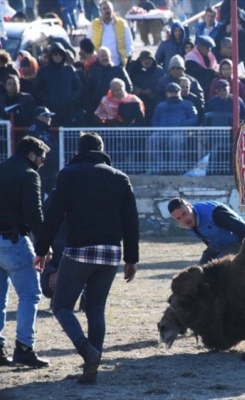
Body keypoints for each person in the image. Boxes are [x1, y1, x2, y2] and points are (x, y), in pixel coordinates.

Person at [34, 132, 139, 384]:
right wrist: (131, 259)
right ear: (101, 149)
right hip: (111, 253)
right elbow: (131, 221)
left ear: (79, 151)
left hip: (79, 250)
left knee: (61, 306)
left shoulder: (68, 175)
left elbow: (54, 215)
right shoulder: (120, 178)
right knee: (96, 309)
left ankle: (86, 350)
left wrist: (41, 249)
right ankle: (91, 370)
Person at [0, 136, 51, 368]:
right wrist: (44, 245)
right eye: (42, 157)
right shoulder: (29, 175)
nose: (42, 162)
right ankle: (24, 347)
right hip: (14, 239)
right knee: (30, 294)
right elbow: (35, 213)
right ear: (31, 155)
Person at [167, 198, 245, 264]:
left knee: (216, 270)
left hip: (234, 244)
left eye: (184, 214)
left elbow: (244, 229)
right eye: (179, 218)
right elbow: (206, 239)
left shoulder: (215, 213)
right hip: (215, 247)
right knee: (198, 273)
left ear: (189, 206)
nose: (184, 219)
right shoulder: (191, 220)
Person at [148, 83, 198, 174]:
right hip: (162, 131)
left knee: (175, 140)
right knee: (152, 139)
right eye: (170, 92)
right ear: (167, 93)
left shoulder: (187, 104)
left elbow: (194, 118)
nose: (173, 94)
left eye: (175, 92)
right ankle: (161, 167)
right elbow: (154, 120)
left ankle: (174, 167)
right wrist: (158, 128)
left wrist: (182, 125)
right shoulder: (160, 106)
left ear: (179, 92)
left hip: (179, 131)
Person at [32, 42, 83, 127]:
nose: (58, 56)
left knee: (67, 134)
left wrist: (72, 98)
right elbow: (36, 89)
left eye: (61, 54)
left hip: (68, 110)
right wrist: (47, 99)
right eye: (55, 54)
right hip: (50, 111)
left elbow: (79, 88)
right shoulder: (43, 71)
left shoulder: (69, 70)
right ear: (50, 55)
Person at [85, 47, 133, 117]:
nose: (104, 58)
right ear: (98, 58)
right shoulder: (94, 72)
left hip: (119, 108)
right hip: (100, 108)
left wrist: (118, 98)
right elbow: (89, 90)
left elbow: (129, 87)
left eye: (106, 55)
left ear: (110, 56)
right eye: (102, 56)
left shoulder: (119, 70)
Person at [87, 0, 133, 67]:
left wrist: (128, 56)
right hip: (99, 63)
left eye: (108, 8)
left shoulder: (122, 23)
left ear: (112, 10)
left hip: (118, 63)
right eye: (104, 9)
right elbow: (89, 42)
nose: (106, 11)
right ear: (100, 11)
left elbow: (129, 41)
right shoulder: (94, 24)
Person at [127, 50, 165, 125]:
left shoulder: (159, 71)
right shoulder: (133, 70)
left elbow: (162, 86)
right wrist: (138, 90)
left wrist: (152, 93)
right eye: (144, 59)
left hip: (154, 103)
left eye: (149, 59)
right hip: (137, 102)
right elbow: (128, 85)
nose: (146, 61)